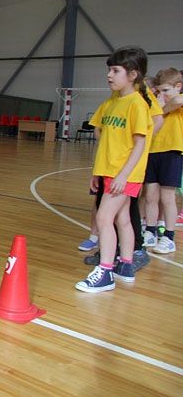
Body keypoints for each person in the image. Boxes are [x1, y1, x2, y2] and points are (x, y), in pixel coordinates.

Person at [75, 47, 152, 293]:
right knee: (122, 219)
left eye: (115, 70)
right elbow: (108, 144)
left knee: (103, 218)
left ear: (133, 74)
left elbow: (140, 144)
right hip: (109, 171)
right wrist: (97, 172)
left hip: (125, 174)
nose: (109, 75)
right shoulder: (113, 102)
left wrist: (123, 175)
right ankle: (125, 266)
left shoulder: (136, 104)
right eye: (109, 69)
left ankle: (105, 272)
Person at [144, 68, 183, 254]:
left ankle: (168, 236)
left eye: (166, 91)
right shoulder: (155, 104)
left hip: (172, 152)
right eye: (159, 91)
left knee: (167, 197)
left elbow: (177, 100)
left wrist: (161, 108)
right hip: (152, 151)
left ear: (178, 86)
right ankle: (150, 231)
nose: (162, 95)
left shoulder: (177, 103)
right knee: (151, 196)